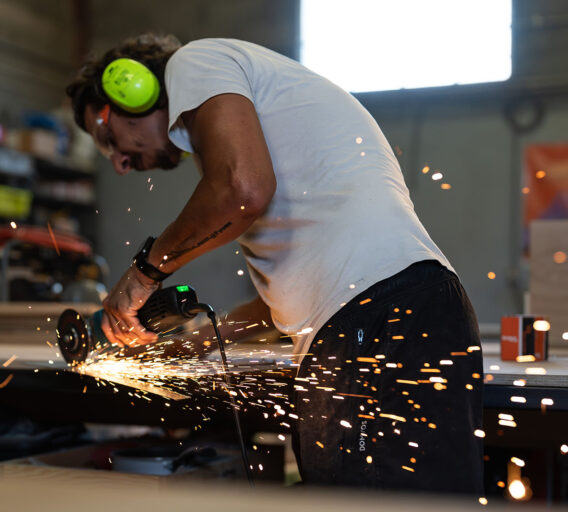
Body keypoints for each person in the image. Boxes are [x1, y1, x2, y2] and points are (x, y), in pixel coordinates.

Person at [66, 33, 483, 495]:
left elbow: (242, 190)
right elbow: (282, 303)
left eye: (109, 137)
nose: (120, 163)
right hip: (389, 314)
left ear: (133, 87)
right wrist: (197, 342)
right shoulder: (264, 132)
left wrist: (144, 272)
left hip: (380, 320)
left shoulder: (196, 60)